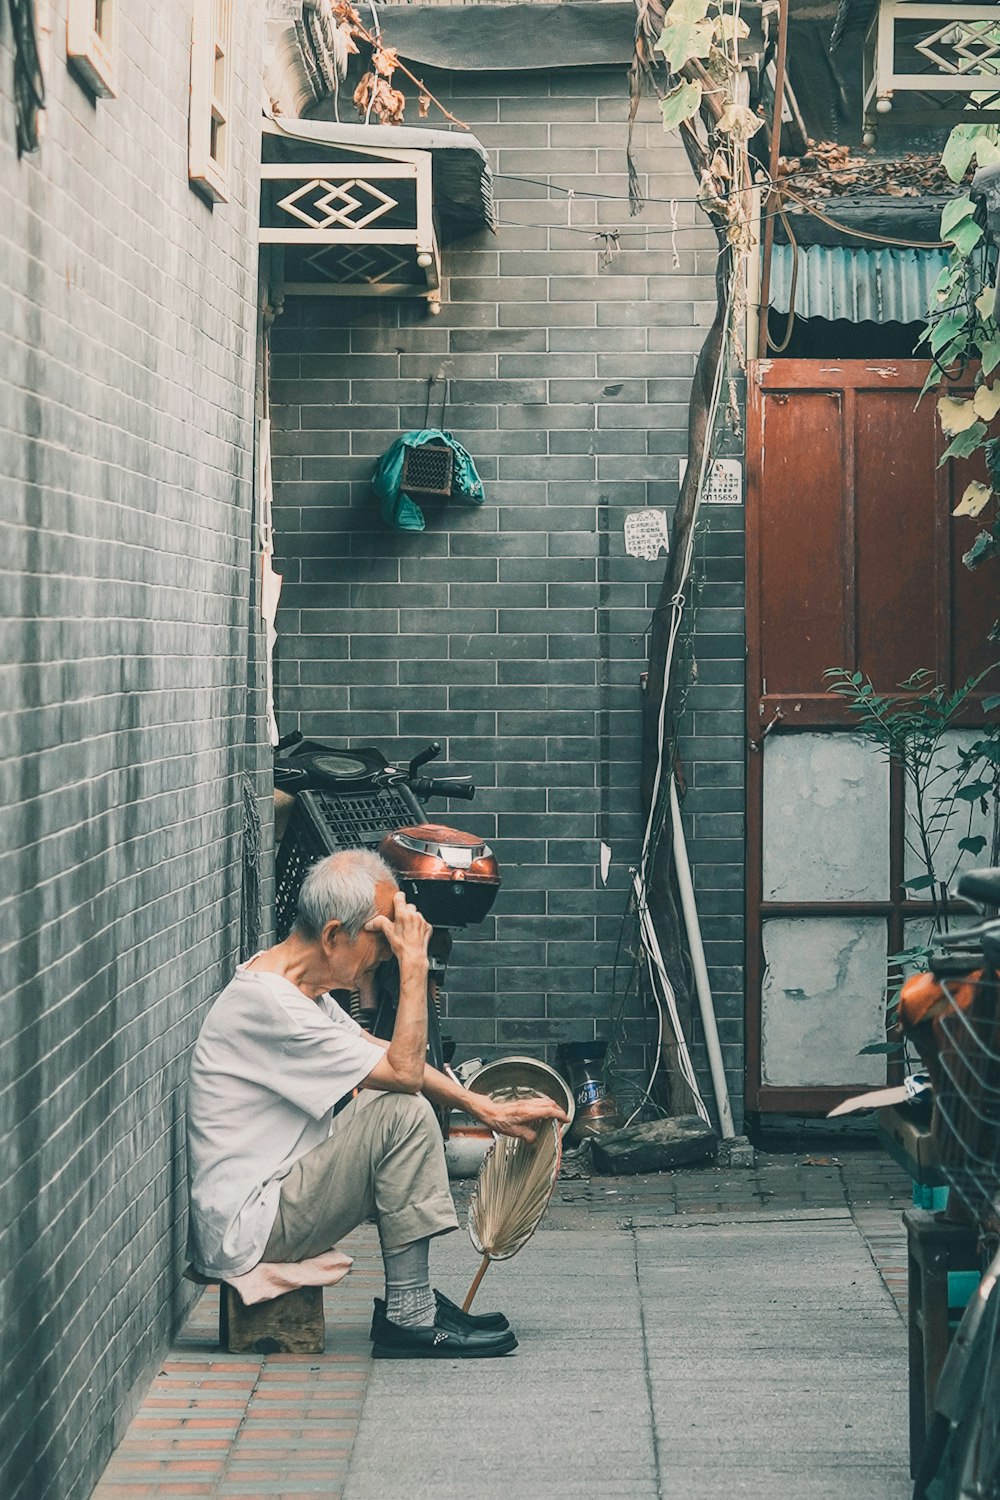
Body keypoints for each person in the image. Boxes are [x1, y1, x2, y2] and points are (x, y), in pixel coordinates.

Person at [186, 848, 567, 1358]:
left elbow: (382, 1055)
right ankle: (410, 1315)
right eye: (380, 935)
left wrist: (485, 1108)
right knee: (402, 1112)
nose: (387, 950)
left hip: (274, 1198)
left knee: (397, 1104)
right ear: (332, 936)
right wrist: (415, 966)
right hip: (251, 1225)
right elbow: (404, 1076)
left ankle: (415, 1307)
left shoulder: (298, 991)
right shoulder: (269, 1005)